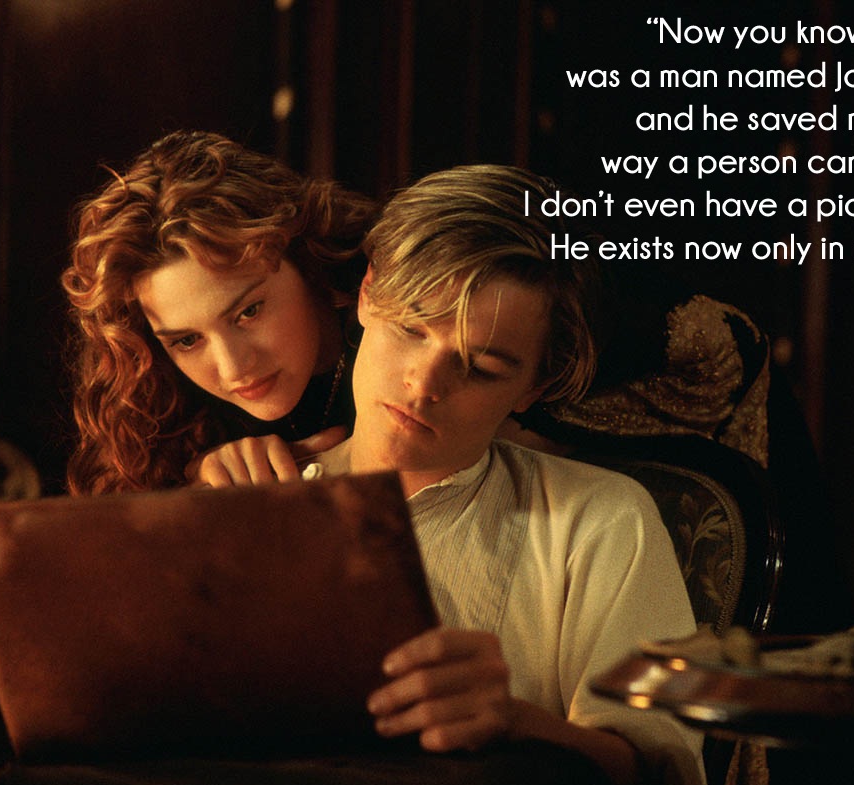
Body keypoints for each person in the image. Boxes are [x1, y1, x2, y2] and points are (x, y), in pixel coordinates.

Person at [301, 165, 704, 785]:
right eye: (411, 329)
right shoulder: (253, 491)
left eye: (481, 367)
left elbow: (663, 772)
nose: (424, 385)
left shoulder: (598, 521)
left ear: (534, 387)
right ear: (367, 293)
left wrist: (517, 724)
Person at [60, 130, 377, 495]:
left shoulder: (405, 333)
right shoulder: (161, 405)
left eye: (248, 312)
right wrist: (199, 493)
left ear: (304, 260)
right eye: (187, 341)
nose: (233, 368)